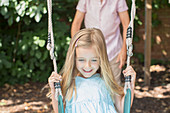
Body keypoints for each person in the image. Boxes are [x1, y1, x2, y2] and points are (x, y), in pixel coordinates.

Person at [48, 28, 136, 113]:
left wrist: (131, 85)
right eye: (81, 60)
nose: (88, 66)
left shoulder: (106, 81)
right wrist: (53, 89)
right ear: (74, 59)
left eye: (93, 60)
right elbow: (60, 111)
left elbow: (123, 109)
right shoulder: (70, 83)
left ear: (101, 59)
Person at [71, 0, 130, 85]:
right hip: (90, 53)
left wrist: (124, 50)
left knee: (113, 86)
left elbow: (126, 25)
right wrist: (76, 48)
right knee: (90, 85)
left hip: (113, 51)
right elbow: (76, 24)